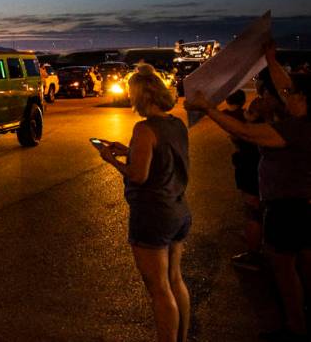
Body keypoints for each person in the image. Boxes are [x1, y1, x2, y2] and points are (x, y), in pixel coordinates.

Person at [186, 42, 311, 341]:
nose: (285, 94)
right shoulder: (302, 119)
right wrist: (270, 59)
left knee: (284, 269)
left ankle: (296, 327)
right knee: (304, 263)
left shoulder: (298, 128)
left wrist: (208, 109)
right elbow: (285, 86)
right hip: (301, 204)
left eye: (292, 93)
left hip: (288, 207)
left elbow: (245, 132)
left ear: (304, 99)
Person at [96, 64, 191, 342]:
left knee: (159, 288)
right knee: (175, 279)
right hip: (178, 209)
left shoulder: (144, 128)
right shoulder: (176, 124)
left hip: (153, 214)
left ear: (141, 96)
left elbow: (138, 175)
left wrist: (111, 160)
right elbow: (164, 157)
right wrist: (128, 151)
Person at [223, 89, 263, 271]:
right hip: (256, 167)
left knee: (252, 210)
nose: (249, 114)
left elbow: (237, 132)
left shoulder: (242, 124)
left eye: (253, 112)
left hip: (250, 167)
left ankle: (254, 253)